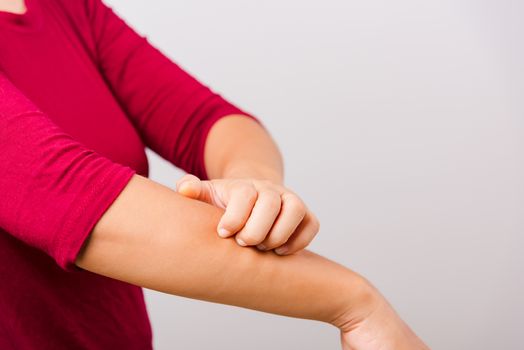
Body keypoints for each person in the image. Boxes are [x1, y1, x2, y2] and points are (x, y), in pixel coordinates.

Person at [0, 0, 429, 349]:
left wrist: (254, 187)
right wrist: (354, 302)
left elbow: (208, 120)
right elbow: (71, 200)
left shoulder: (68, 9)